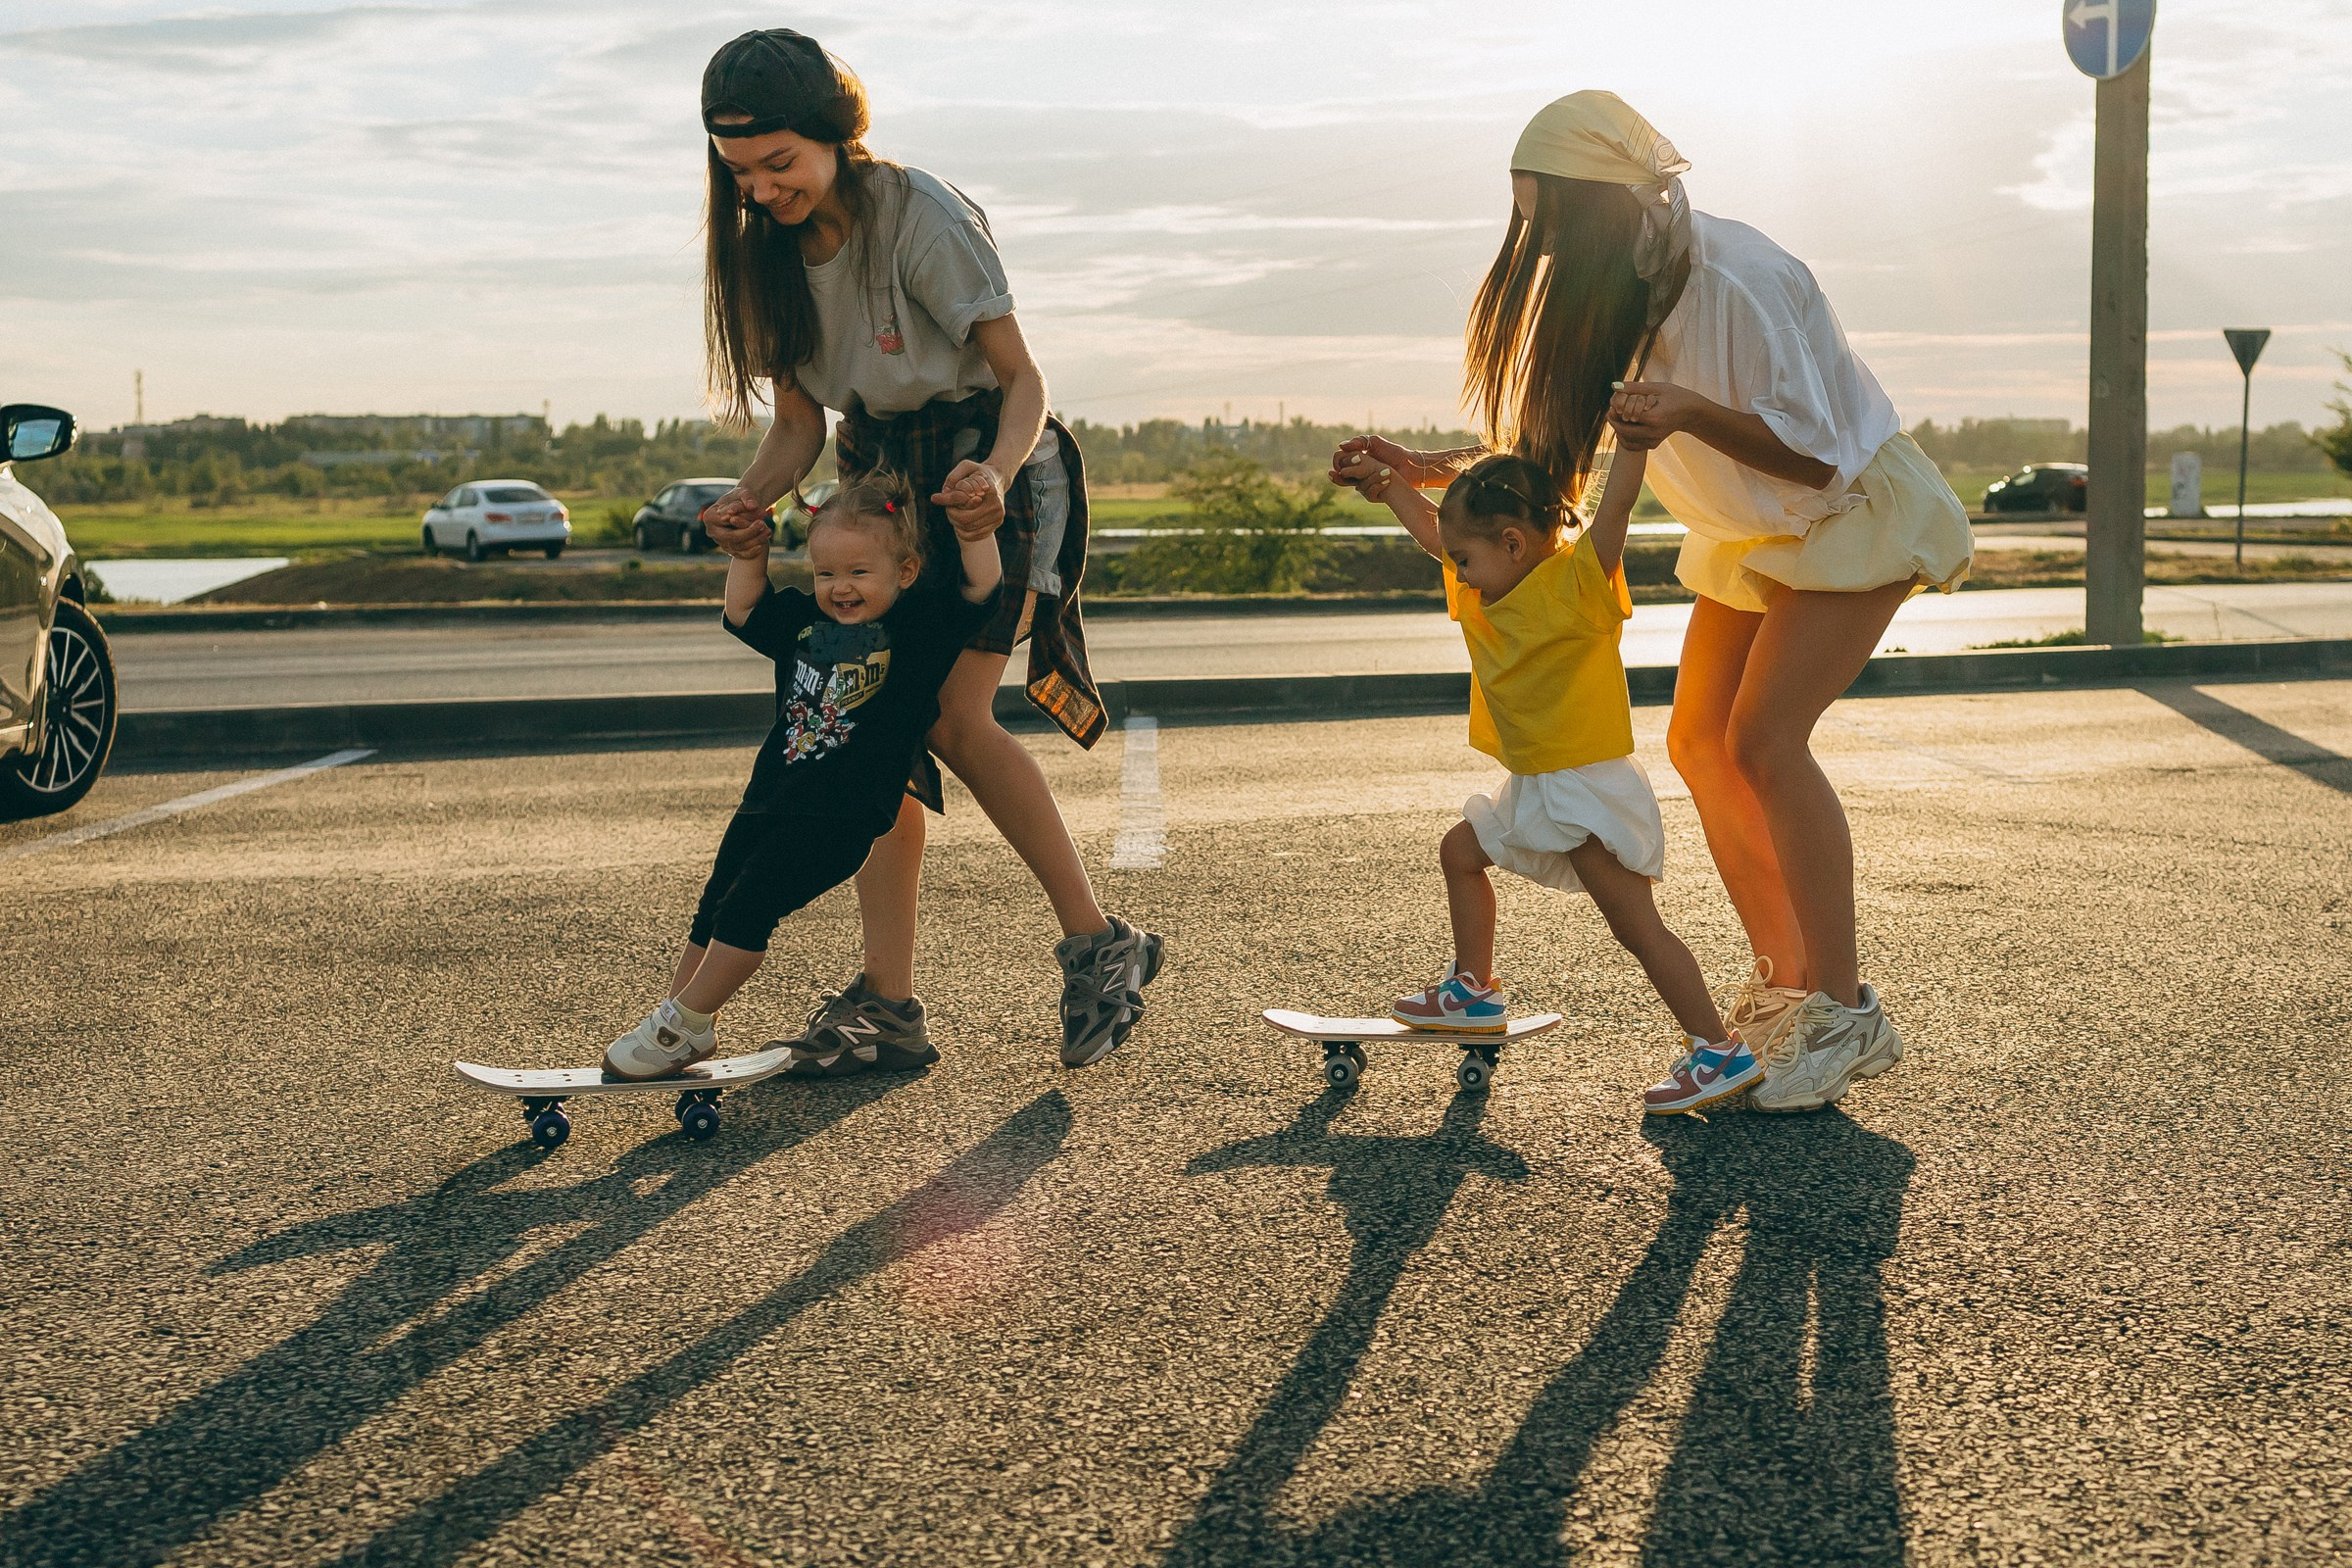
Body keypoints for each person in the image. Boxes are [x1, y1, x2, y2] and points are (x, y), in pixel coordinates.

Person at [1335, 91, 1970, 1114]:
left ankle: (1847, 1013)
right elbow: (1553, 462)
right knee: (1700, 744)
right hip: (1756, 534)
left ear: (1606, 208)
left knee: (1764, 740)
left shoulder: (1739, 278)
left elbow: (1814, 454)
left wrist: (1691, 412)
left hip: (1850, 508)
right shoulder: (1618, 286)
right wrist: (1425, 466)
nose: (1539, 256)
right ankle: (1789, 982)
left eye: (1549, 230)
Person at [690, 29, 1162, 1071]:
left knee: (951, 711)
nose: (764, 190)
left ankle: (1099, 941)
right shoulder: (765, 251)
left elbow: (1024, 381)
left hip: (986, 459)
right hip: (879, 470)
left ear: (836, 137)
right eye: (741, 173)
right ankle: (889, 1007)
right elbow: (801, 427)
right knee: (874, 730)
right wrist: (750, 501)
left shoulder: (922, 219)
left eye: (782, 164)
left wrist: (991, 474)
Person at [1345, 447, 1760, 1115]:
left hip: (1586, 785)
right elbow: (1435, 533)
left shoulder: (1577, 586)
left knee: (1636, 927)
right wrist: (1388, 483)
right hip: (1537, 780)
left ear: (1513, 543)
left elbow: (1617, 507)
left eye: (1464, 560)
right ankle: (1473, 990)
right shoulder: (1486, 582)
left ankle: (1716, 1049)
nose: (1455, 571)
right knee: (1460, 852)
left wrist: (1632, 444)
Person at [605, 471, 999, 1081]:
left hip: (843, 812)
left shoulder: (920, 629)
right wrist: (749, 555)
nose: (840, 588)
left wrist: (978, 530)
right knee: (715, 907)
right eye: (825, 574)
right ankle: (678, 1025)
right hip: (770, 799)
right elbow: (743, 608)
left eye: (859, 573)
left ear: (906, 572)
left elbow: (983, 590)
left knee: (749, 908)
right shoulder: (802, 626)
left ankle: (683, 1023)